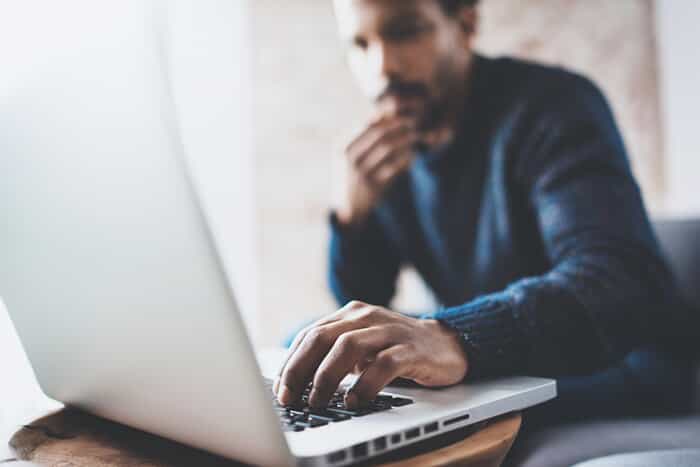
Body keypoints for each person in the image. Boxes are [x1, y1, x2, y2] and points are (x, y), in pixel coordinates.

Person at [273, 0, 695, 428]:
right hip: (498, 356)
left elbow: (621, 278)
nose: (382, 68)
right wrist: (352, 219)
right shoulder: (393, 146)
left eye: (405, 32)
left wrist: (456, 336)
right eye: (360, 44)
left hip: (622, 363)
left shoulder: (552, 107)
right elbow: (363, 294)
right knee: (308, 342)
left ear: (466, 23)